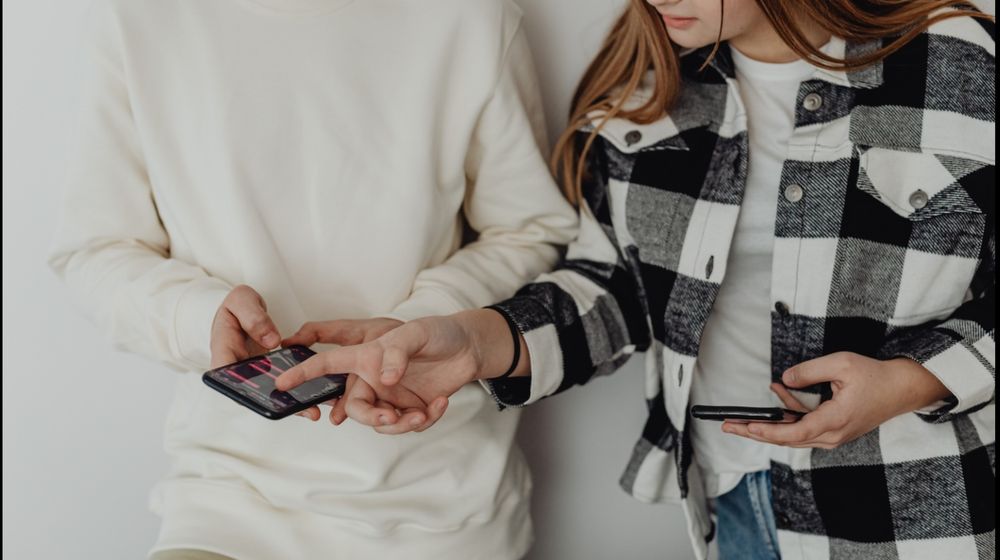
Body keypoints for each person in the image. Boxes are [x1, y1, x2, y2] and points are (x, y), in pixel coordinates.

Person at [277, 1, 996, 558]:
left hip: (930, 514)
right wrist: (475, 341)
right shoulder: (644, 93)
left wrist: (912, 379)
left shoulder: (959, 60)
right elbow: (615, 293)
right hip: (736, 500)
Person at [47, 0, 578, 558]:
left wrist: (421, 321)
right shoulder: (140, 21)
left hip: (436, 501)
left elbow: (530, 231)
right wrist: (198, 317)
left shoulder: (470, 18)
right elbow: (96, 249)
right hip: (227, 493)